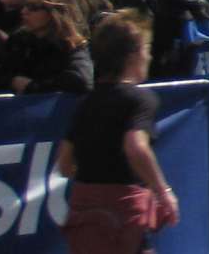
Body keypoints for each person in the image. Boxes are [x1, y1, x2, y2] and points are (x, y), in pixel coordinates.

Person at [59, 14, 177, 254]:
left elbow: (64, 164)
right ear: (133, 55)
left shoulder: (86, 103)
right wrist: (162, 191)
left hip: (85, 212)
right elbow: (135, 146)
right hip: (124, 210)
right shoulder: (140, 99)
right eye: (147, 49)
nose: (149, 56)